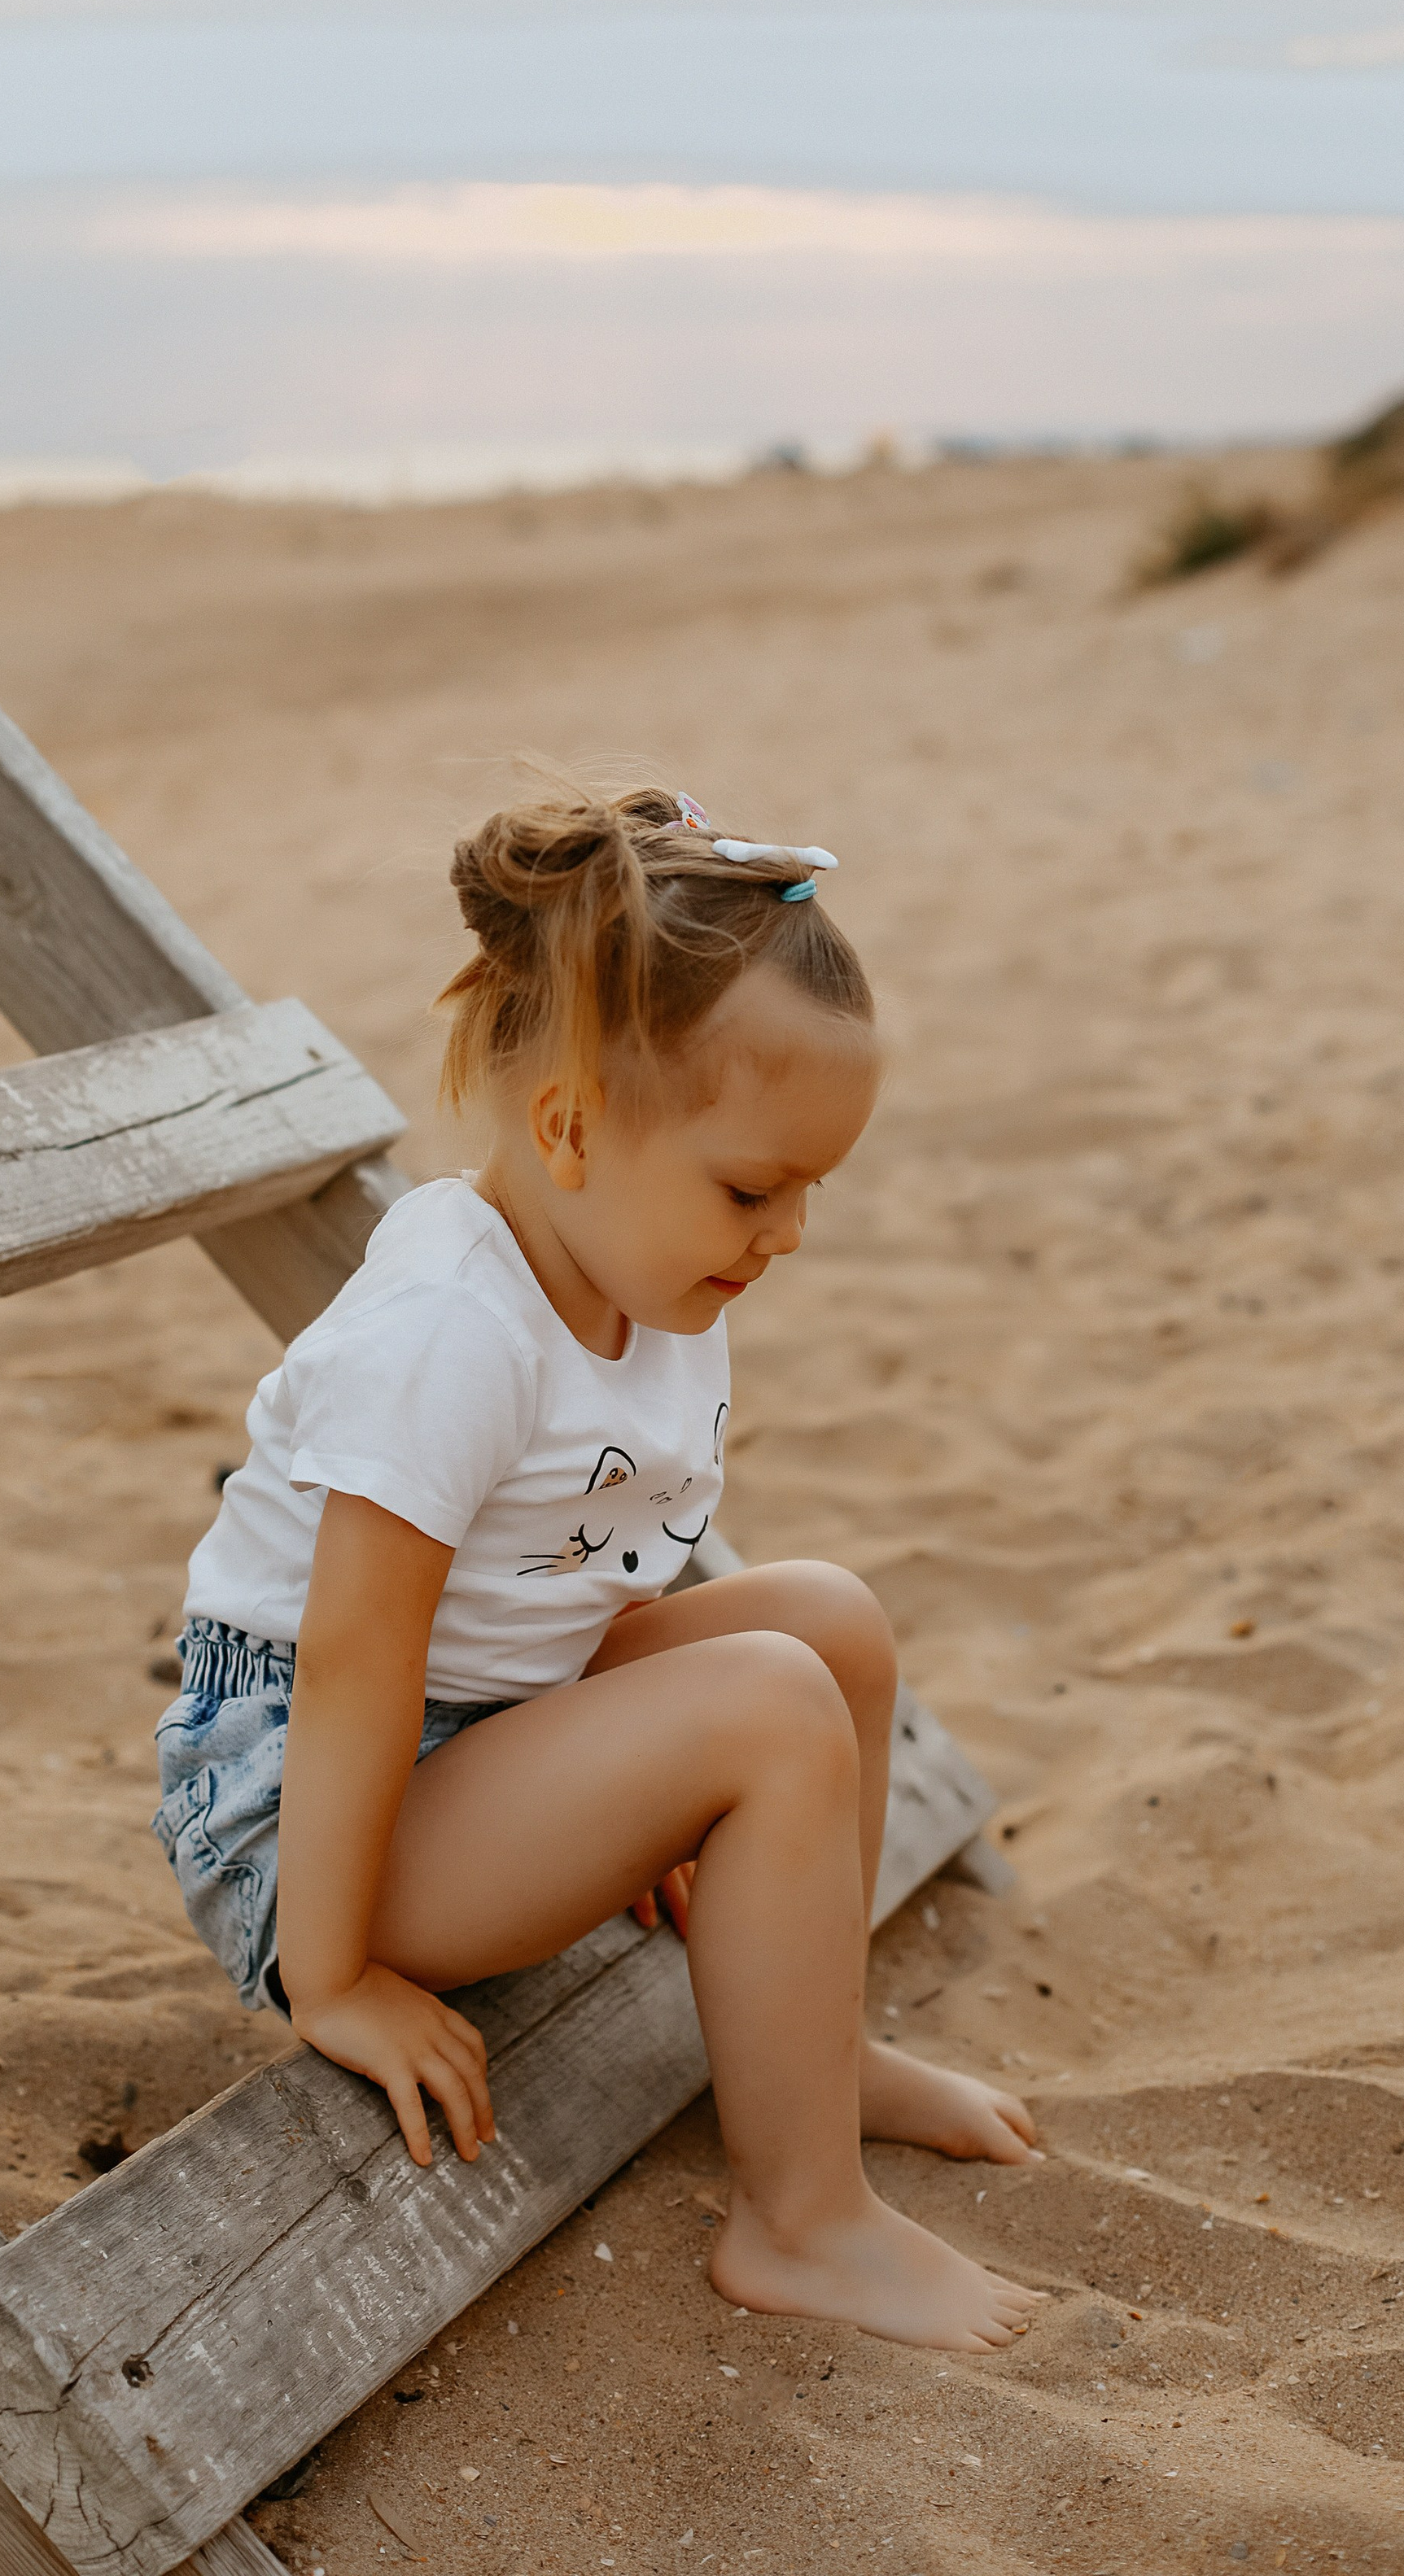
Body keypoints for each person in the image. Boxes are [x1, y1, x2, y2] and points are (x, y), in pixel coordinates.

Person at [154, 782, 1042, 2349]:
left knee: (825, 1624)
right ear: (566, 1128)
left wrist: (627, 1792)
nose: (787, 1236)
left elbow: (580, 1575)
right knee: (765, 1701)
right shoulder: (452, 1325)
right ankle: (802, 2223)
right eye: (752, 1188)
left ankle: (816, 2060)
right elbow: (359, 1657)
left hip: (482, 1724)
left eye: (811, 1189)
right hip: (304, 1813)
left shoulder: (645, 1274)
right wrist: (334, 1971)